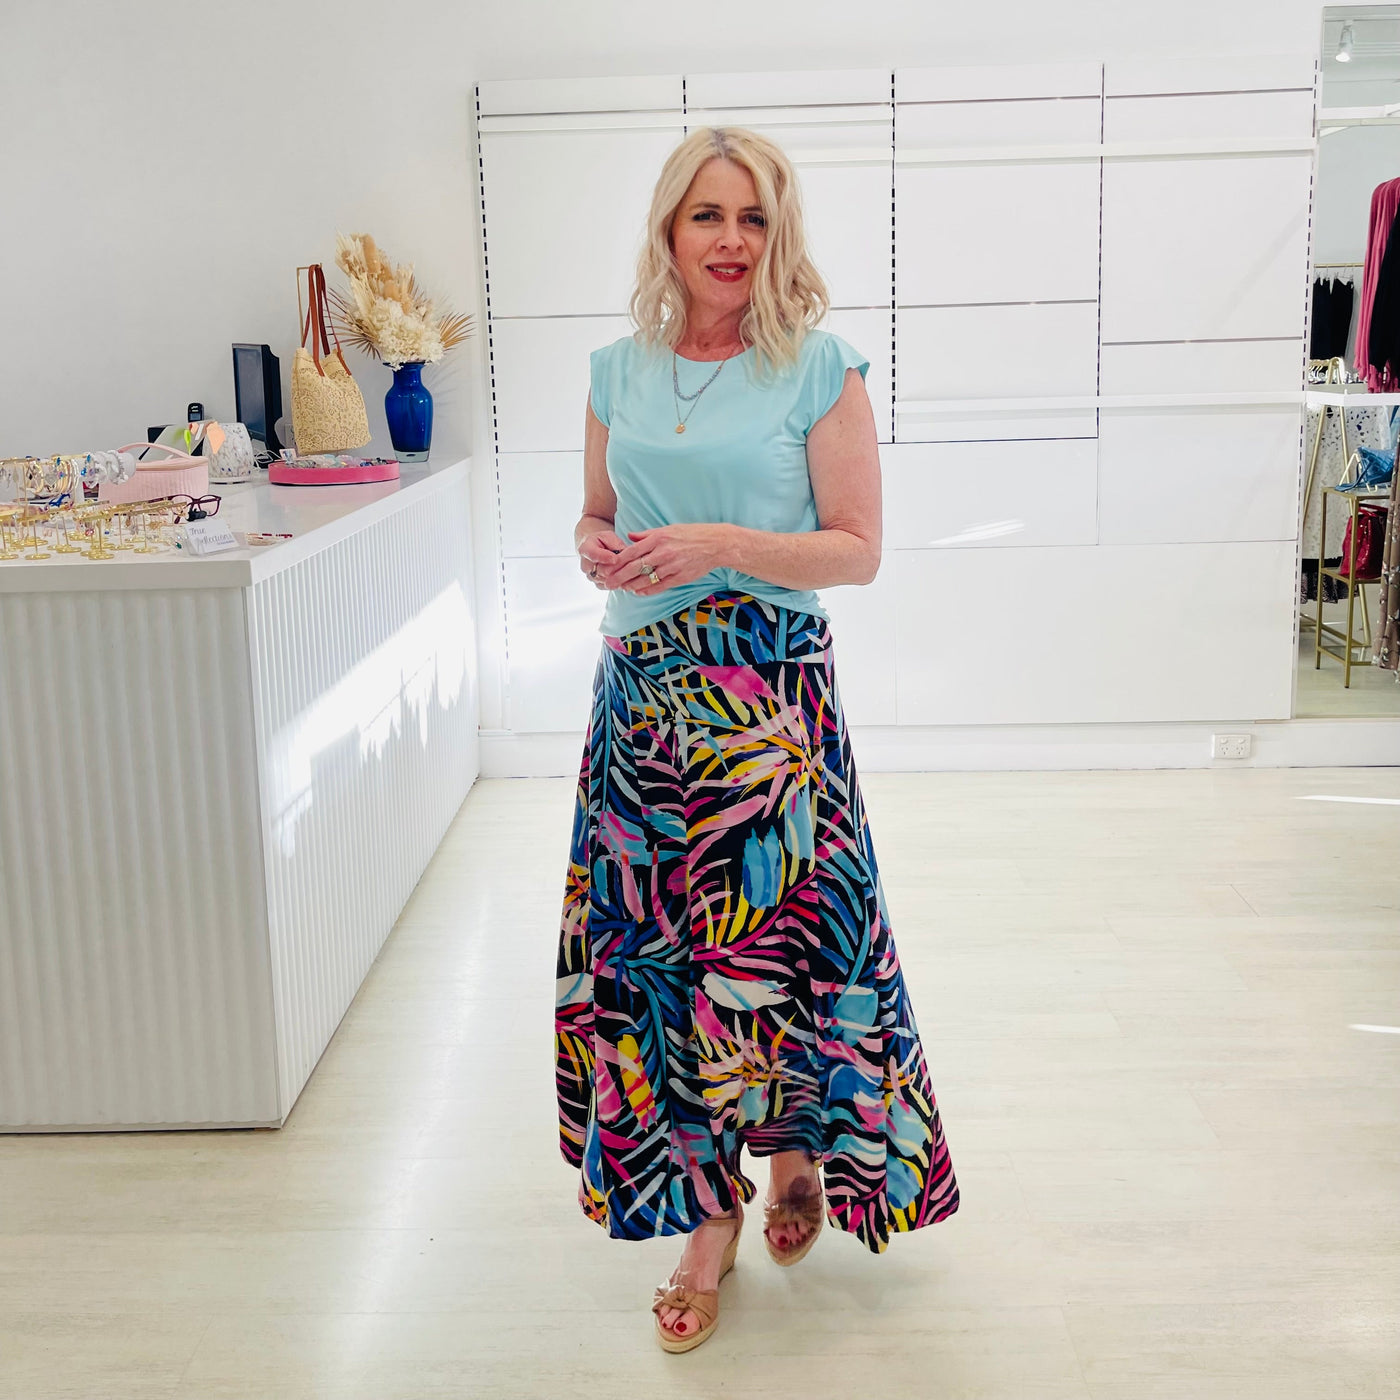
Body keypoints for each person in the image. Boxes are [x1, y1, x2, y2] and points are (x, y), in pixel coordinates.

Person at [554, 125, 959, 1354]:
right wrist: (590, 544)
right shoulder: (614, 372)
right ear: (667, 232)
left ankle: (793, 1155)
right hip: (640, 705)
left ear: (775, 236)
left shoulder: (817, 369)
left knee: (774, 947)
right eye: (706, 217)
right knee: (664, 964)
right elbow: (596, 512)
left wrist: (723, 542)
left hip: (767, 712)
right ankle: (706, 1212)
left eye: (753, 219)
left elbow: (856, 547)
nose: (730, 241)